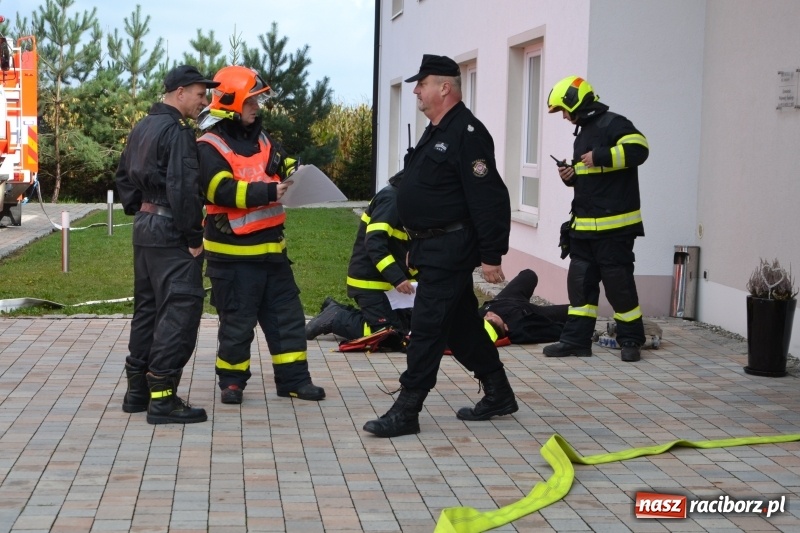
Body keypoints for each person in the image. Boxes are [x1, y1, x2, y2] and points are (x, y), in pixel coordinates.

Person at [363, 54, 517, 438]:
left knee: (428, 327)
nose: (416, 89)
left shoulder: (468, 133)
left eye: (422, 83)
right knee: (461, 327)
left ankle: (407, 408)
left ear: (444, 87)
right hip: (432, 247)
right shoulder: (436, 130)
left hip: (451, 247)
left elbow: (489, 198)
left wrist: (491, 255)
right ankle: (499, 392)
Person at [197, 65, 325, 405]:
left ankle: (294, 380)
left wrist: (297, 173)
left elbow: (281, 163)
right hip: (234, 257)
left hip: (272, 252)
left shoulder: (263, 139)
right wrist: (269, 192)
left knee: (288, 320)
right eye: (251, 101)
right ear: (232, 104)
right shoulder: (210, 145)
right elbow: (217, 189)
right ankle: (232, 382)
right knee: (237, 325)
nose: (257, 107)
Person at [115, 65, 219, 424]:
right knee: (179, 310)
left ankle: (136, 392)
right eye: (200, 94)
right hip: (171, 231)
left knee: (148, 310)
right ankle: (162, 398)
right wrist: (193, 237)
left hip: (145, 231)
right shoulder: (177, 132)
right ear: (180, 93)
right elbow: (183, 187)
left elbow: (122, 177)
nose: (203, 100)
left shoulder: (141, 127)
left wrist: (141, 208)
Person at [543, 75, 649, 362]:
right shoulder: (584, 132)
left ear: (574, 102)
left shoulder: (613, 123)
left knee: (619, 286)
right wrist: (571, 175)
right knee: (580, 285)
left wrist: (601, 155)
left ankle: (630, 341)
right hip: (584, 229)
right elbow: (590, 178)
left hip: (614, 230)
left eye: (563, 110)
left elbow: (640, 149)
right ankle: (576, 341)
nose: (564, 117)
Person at [305, 170, 414, 346]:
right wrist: (398, 278)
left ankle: (337, 309)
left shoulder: (404, 201)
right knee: (388, 336)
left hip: (389, 286)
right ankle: (336, 318)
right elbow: (375, 243)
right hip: (371, 283)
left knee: (409, 329)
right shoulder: (391, 199)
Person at [479, 269, 568, 345]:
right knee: (571, 310)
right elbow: (556, 331)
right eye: (493, 317)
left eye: (486, 317)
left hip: (506, 298)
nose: (488, 313)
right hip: (529, 309)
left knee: (529, 275)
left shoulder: (478, 317)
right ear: (505, 327)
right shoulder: (520, 329)